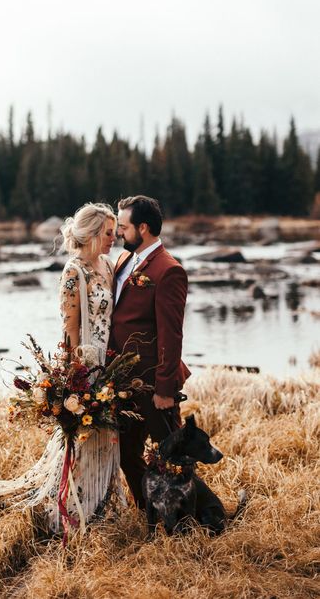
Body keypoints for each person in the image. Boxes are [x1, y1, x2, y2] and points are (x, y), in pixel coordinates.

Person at [0, 202, 124, 533]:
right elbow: (69, 330)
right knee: (82, 437)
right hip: (85, 364)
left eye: (116, 233)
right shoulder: (73, 271)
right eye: (110, 233)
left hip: (108, 362)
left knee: (106, 437)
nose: (115, 239)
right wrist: (74, 377)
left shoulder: (108, 266)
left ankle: (102, 504)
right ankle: (73, 510)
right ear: (94, 232)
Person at [109, 195, 191, 509]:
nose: (118, 232)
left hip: (154, 383)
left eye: (123, 226)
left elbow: (172, 333)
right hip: (125, 381)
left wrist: (165, 389)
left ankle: (194, 516)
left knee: (173, 454)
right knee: (127, 455)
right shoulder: (122, 261)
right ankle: (152, 513)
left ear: (143, 227)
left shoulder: (168, 271)